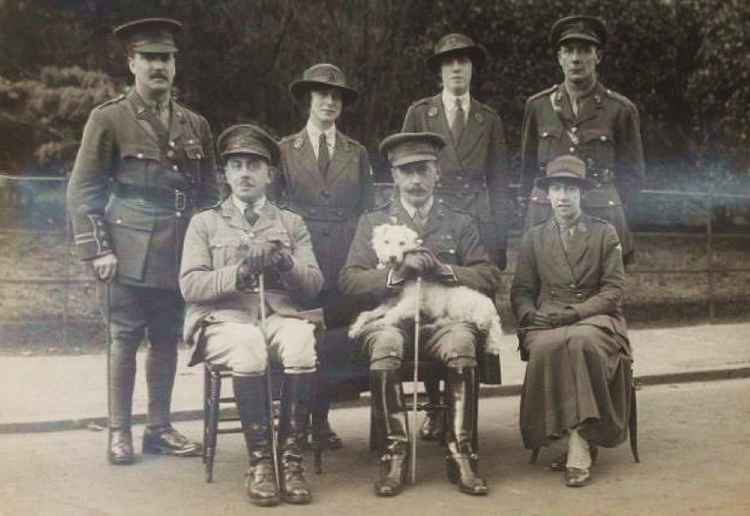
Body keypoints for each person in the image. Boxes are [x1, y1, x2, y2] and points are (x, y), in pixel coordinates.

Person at [66, 17, 218, 465]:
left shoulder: (195, 124)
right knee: (123, 340)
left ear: (176, 65)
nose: (159, 67)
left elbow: (209, 195)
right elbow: (83, 190)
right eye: (149, 58)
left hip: (178, 249)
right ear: (131, 63)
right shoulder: (109, 117)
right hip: (127, 249)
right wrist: (98, 249)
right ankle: (119, 432)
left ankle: (159, 427)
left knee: (167, 340)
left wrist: (204, 252)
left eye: (166, 58)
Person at [340, 132, 499, 497]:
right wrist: (395, 274)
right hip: (391, 318)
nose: (415, 180)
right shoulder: (373, 222)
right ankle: (394, 452)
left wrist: (446, 270)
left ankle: (461, 452)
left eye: (423, 170)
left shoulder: (459, 222)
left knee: (461, 343)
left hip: (443, 321)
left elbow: (488, 275)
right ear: (393, 176)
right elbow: (349, 280)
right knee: (386, 344)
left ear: (436, 173)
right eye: (406, 171)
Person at [180, 124, 324, 506]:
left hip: (276, 313)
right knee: (249, 346)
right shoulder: (204, 223)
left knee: (300, 342)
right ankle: (260, 463)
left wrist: (285, 261)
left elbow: (313, 284)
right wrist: (239, 273)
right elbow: (190, 286)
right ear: (225, 174)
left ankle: (290, 461)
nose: (245, 173)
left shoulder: (291, 223)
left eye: (254, 165)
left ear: (269, 174)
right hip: (226, 319)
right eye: (236, 165)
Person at [401, 33, 510, 439]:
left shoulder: (489, 118)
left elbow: (500, 185)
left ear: (472, 68)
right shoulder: (420, 113)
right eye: (449, 63)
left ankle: (462, 410)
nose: (457, 68)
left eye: (464, 61)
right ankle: (434, 404)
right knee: (428, 311)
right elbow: (405, 171)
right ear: (440, 70)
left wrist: (498, 243)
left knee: (466, 316)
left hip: (475, 227)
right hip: (430, 223)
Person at [511, 155, 634, 488]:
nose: (562, 197)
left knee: (581, 341)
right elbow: (521, 290)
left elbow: (614, 291)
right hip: (547, 318)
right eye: (556, 189)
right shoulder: (534, 237)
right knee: (548, 345)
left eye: (570, 189)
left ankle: (580, 442)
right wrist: (528, 315)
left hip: (597, 317)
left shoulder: (603, 233)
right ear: (547, 195)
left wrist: (578, 313)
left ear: (582, 194)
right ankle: (560, 433)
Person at [276, 63, 374, 450]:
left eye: (336, 97)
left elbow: (368, 211)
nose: (329, 102)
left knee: (332, 335)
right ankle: (295, 420)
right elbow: (275, 207)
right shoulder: (285, 149)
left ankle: (322, 419)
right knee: (300, 331)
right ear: (308, 100)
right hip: (302, 256)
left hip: (343, 256)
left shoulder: (357, 152)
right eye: (322, 95)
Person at [519, 15, 645, 265]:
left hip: (601, 216)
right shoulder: (538, 106)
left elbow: (633, 177)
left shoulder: (620, 109)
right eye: (568, 51)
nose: (576, 58)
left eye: (585, 50)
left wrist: (611, 207)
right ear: (559, 58)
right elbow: (528, 169)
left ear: (598, 56)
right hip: (547, 215)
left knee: (604, 294)